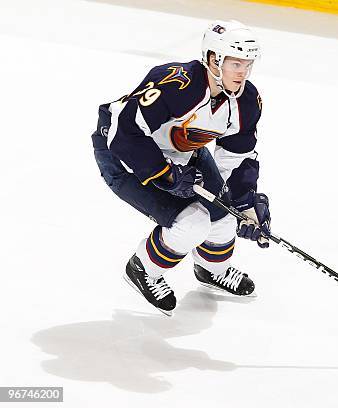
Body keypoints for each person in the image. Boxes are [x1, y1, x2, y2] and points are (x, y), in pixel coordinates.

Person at [91, 20, 271, 316]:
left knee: (224, 215)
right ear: (214, 59)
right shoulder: (176, 85)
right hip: (122, 155)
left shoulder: (246, 101)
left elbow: (237, 156)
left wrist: (244, 204)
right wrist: (166, 175)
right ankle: (143, 269)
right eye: (235, 63)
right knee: (193, 223)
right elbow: (123, 133)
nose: (243, 72)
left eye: (247, 64)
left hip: (183, 153)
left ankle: (212, 270)